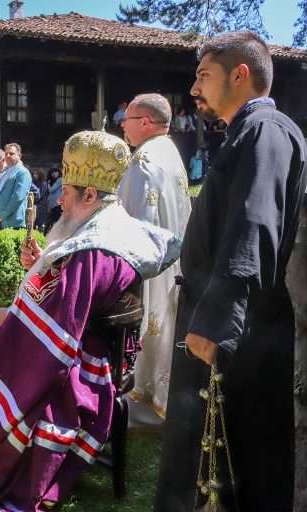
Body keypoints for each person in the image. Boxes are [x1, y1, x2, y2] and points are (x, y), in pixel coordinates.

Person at [0, 131, 181, 511]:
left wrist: (8, 316)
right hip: (91, 343)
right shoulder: (108, 227)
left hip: (82, 362)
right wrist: (45, 259)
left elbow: (59, 323)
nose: (58, 198)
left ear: (89, 195)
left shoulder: (96, 250)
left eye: (67, 191)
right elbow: (74, 292)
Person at [157, 30, 307, 512]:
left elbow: (254, 223)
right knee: (206, 461)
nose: (194, 88)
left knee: (241, 467)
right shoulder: (246, 132)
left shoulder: (266, 130)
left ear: (240, 74)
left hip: (241, 333)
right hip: (224, 324)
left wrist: (218, 318)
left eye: (204, 75)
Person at [118, 93, 192, 425]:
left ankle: (146, 399)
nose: (123, 125)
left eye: (127, 119)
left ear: (145, 122)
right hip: (174, 256)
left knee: (151, 321)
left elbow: (134, 220)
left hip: (150, 262)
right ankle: (161, 395)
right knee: (166, 322)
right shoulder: (170, 150)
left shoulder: (143, 159)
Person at [0, 143, 32, 230]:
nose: (8, 155)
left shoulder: (23, 173)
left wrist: (2, 215)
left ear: (19, 156)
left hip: (13, 222)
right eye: (6, 153)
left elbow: (17, 197)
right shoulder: (4, 172)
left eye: (11, 153)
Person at [45, 166, 62, 234]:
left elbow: (51, 190)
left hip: (58, 205)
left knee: (56, 221)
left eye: (56, 172)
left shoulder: (60, 180)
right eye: (52, 173)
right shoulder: (53, 181)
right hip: (52, 205)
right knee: (52, 221)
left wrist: (48, 184)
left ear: (58, 172)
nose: (54, 174)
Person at [32, 168, 50, 232]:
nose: (34, 175)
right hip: (34, 205)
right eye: (34, 173)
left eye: (36, 173)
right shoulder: (32, 183)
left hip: (41, 205)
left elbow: (41, 195)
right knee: (32, 224)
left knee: (40, 225)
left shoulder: (43, 183)